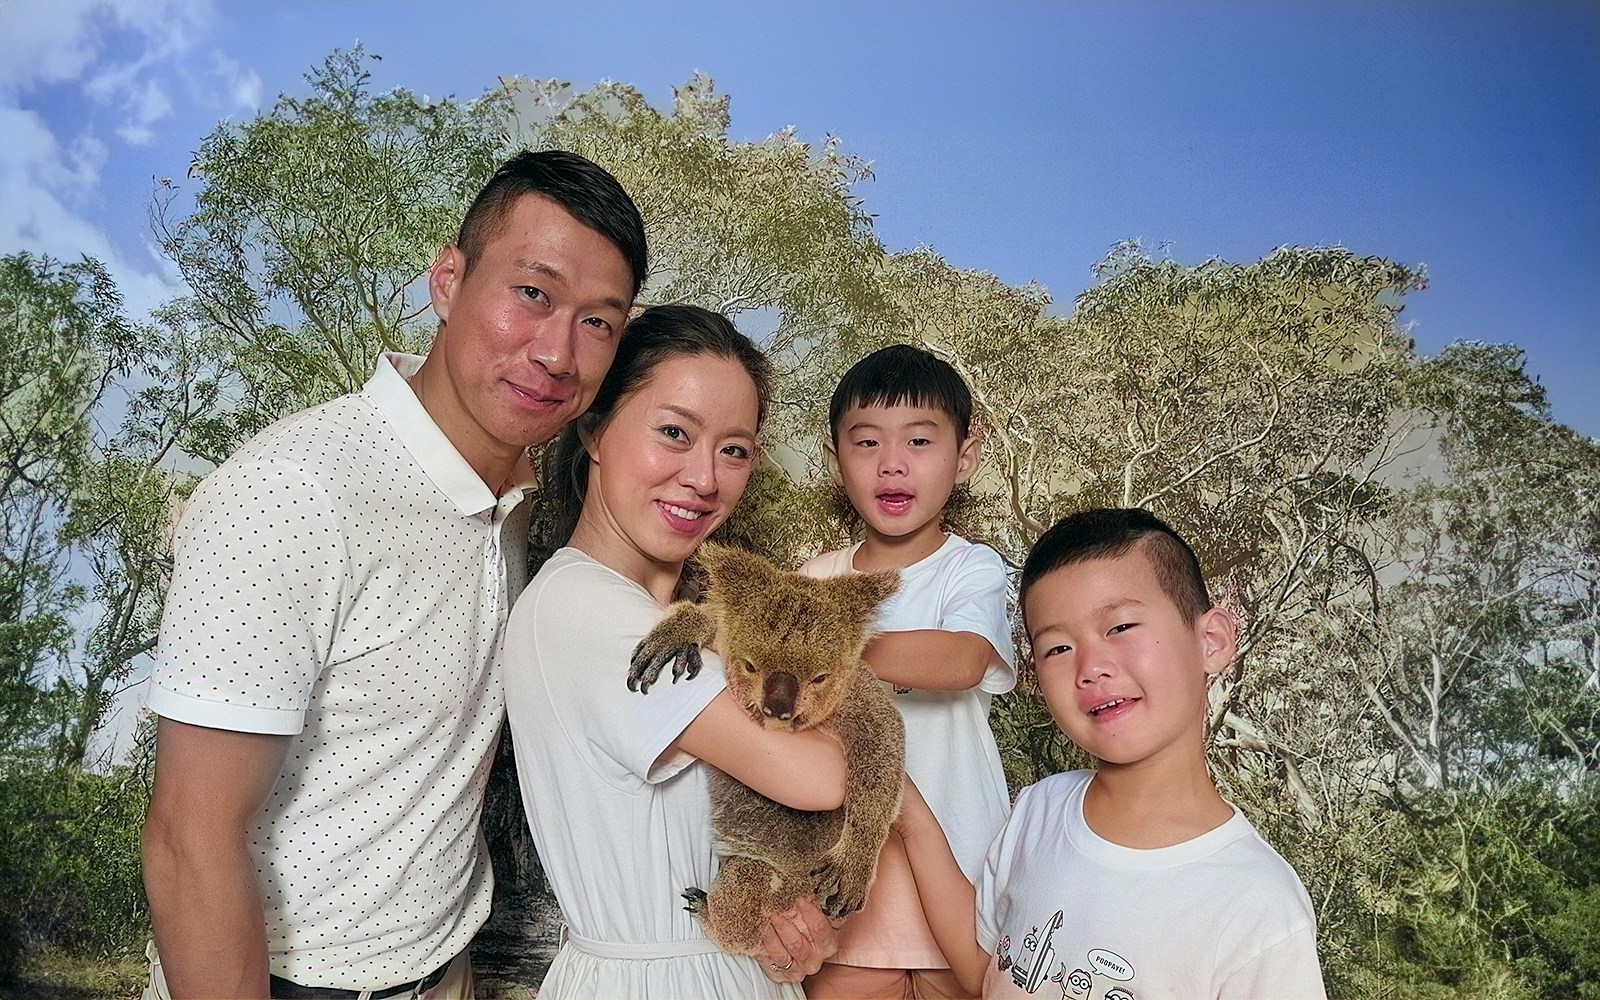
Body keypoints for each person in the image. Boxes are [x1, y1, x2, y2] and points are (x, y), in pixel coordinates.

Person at [140, 149, 648, 1000]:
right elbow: (190, 840)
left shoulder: (519, 506)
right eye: (533, 293)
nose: (558, 351)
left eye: (599, 321)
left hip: (443, 971)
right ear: (447, 281)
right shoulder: (298, 489)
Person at [503, 305, 841, 998]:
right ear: (594, 427)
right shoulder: (591, 612)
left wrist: (782, 918)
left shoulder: (668, 621)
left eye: (735, 449)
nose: (705, 478)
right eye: (673, 433)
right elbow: (823, 777)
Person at [893, 508, 1328, 999]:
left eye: (1120, 627)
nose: (1091, 668)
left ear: (1211, 640)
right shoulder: (1039, 808)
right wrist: (909, 814)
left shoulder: (1258, 906)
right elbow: (984, 974)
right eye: (1057, 649)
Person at [800, 344, 1016, 1000]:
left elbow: (962, 659)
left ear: (964, 459)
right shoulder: (815, 581)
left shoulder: (970, 569)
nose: (892, 463)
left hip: (963, 887)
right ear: (837, 461)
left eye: (920, 440)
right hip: (847, 904)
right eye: (866, 443)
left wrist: (820, 650)